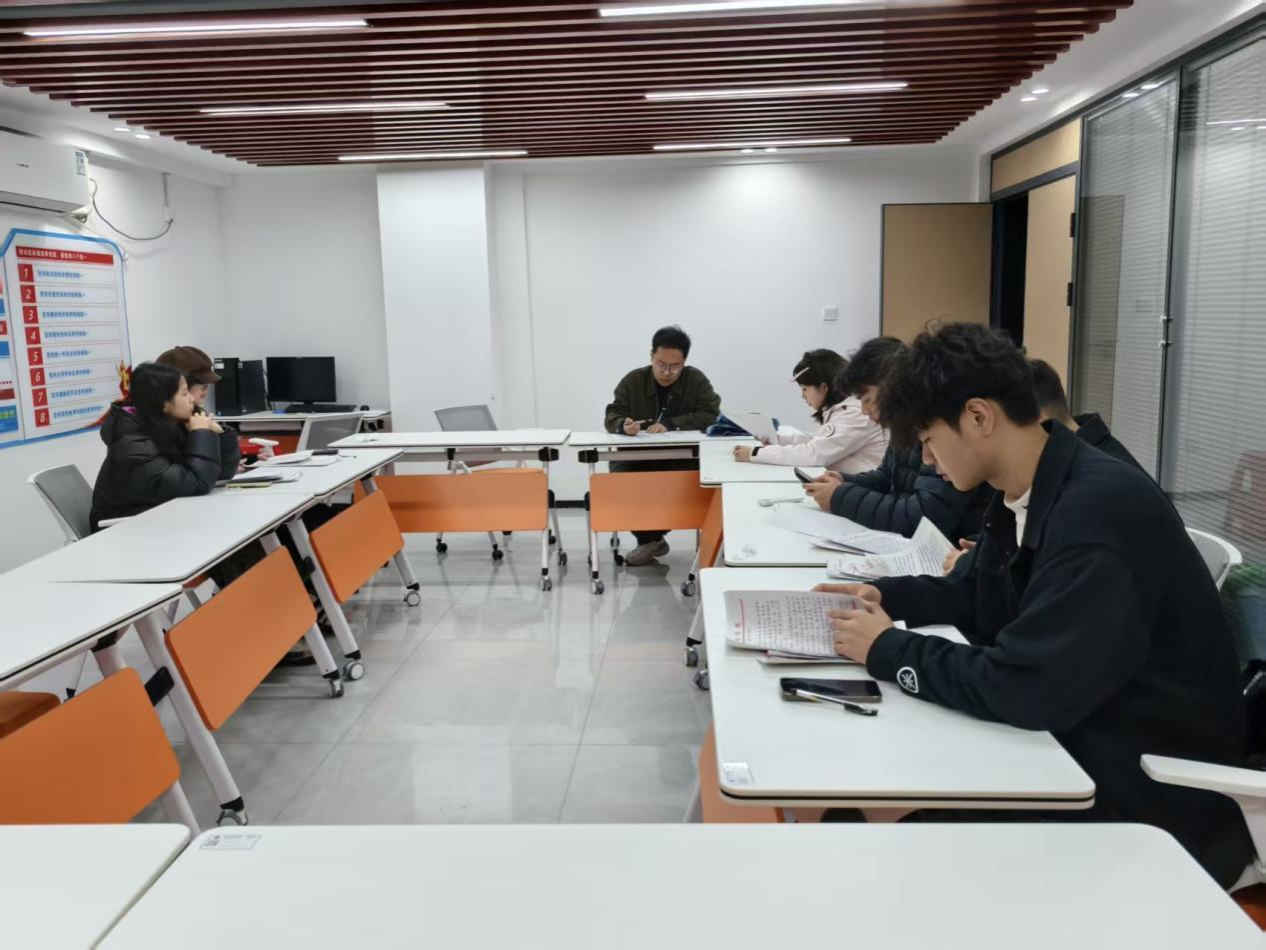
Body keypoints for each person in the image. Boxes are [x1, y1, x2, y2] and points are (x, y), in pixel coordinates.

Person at [822, 322, 1252, 886]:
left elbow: (1027, 688)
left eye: (929, 438)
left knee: (891, 853)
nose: (926, 460)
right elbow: (973, 594)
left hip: (1149, 794)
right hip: (1081, 741)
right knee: (868, 805)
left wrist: (888, 650)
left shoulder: (1095, 512)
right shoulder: (1030, 490)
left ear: (978, 417)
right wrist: (884, 595)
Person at [942, 357, 1143, 573]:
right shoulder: (1074, 460)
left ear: (1033, 421)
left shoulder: (1094, 489)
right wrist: (985, 554)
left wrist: (981, 567)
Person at [803, 336, 990, 542]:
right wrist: (844, 481)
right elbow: (888, 478)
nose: (864, 411)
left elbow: (924, 517)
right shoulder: (905, 428)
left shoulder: (941, 430)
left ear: (893, 388)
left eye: (867, 400)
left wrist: (841, 497)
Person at [604, 325, 721, 566]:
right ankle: (650, 539)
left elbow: (711, 414)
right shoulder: (633, 380)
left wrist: (672, 423)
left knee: (683, 487)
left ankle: (651, 539)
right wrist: (622, 425)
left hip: (682, 456)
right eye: (661, 364)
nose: (667, 372)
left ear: (684, 361)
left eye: (675, 366)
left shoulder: (696, 380)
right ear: (651, 356)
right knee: (621, 483)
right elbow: (613, 413)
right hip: (636, 456)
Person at [90, 362, 233, 531]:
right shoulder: (134, 447)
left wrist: (220, 434)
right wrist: (201, 434)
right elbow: (196, 484)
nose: (192, 399)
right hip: (123, 531)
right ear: (163, 403)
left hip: (162, 518)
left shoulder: (169, 426)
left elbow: (220, 475)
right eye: (184, 393)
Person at [732, 349, 887, 474]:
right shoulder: (842, 410)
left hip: (865, 487)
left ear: (823, 387)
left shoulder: (855, 414)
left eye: (805, 389)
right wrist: (778, 440)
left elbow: (814, 454)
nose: (803, 396)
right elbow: (819, 440)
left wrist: (756, 453)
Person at [156, 345, 241, 474]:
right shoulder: (155, 428)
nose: (206, 390)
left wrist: (221, 434)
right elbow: (191, 477)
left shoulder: (197, 415)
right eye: (202, 385)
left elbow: (223, 473)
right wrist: (200, 435)